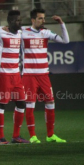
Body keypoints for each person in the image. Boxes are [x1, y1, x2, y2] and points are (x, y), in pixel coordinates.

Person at [21, 9, 69, 143]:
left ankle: (50, 135)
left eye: (44, 18)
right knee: (30, 105)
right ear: (33, 20)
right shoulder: (23, 32)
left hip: (43, 75)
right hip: (29, 76)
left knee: (50, 103)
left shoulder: (46, 33)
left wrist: (61, 24)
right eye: (40, 18)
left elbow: (66, 41)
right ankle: (33, 136)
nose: (43, 21)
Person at [0, 10, 28, 144]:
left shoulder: (20, 32)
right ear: (11, 22)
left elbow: (31, 30)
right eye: (18, 20)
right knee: (1, 104)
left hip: (16, 74)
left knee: (21, 103)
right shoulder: (1, 33)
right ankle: (1, 138)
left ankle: (16, 136)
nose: (20, 22)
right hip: (3, 74)